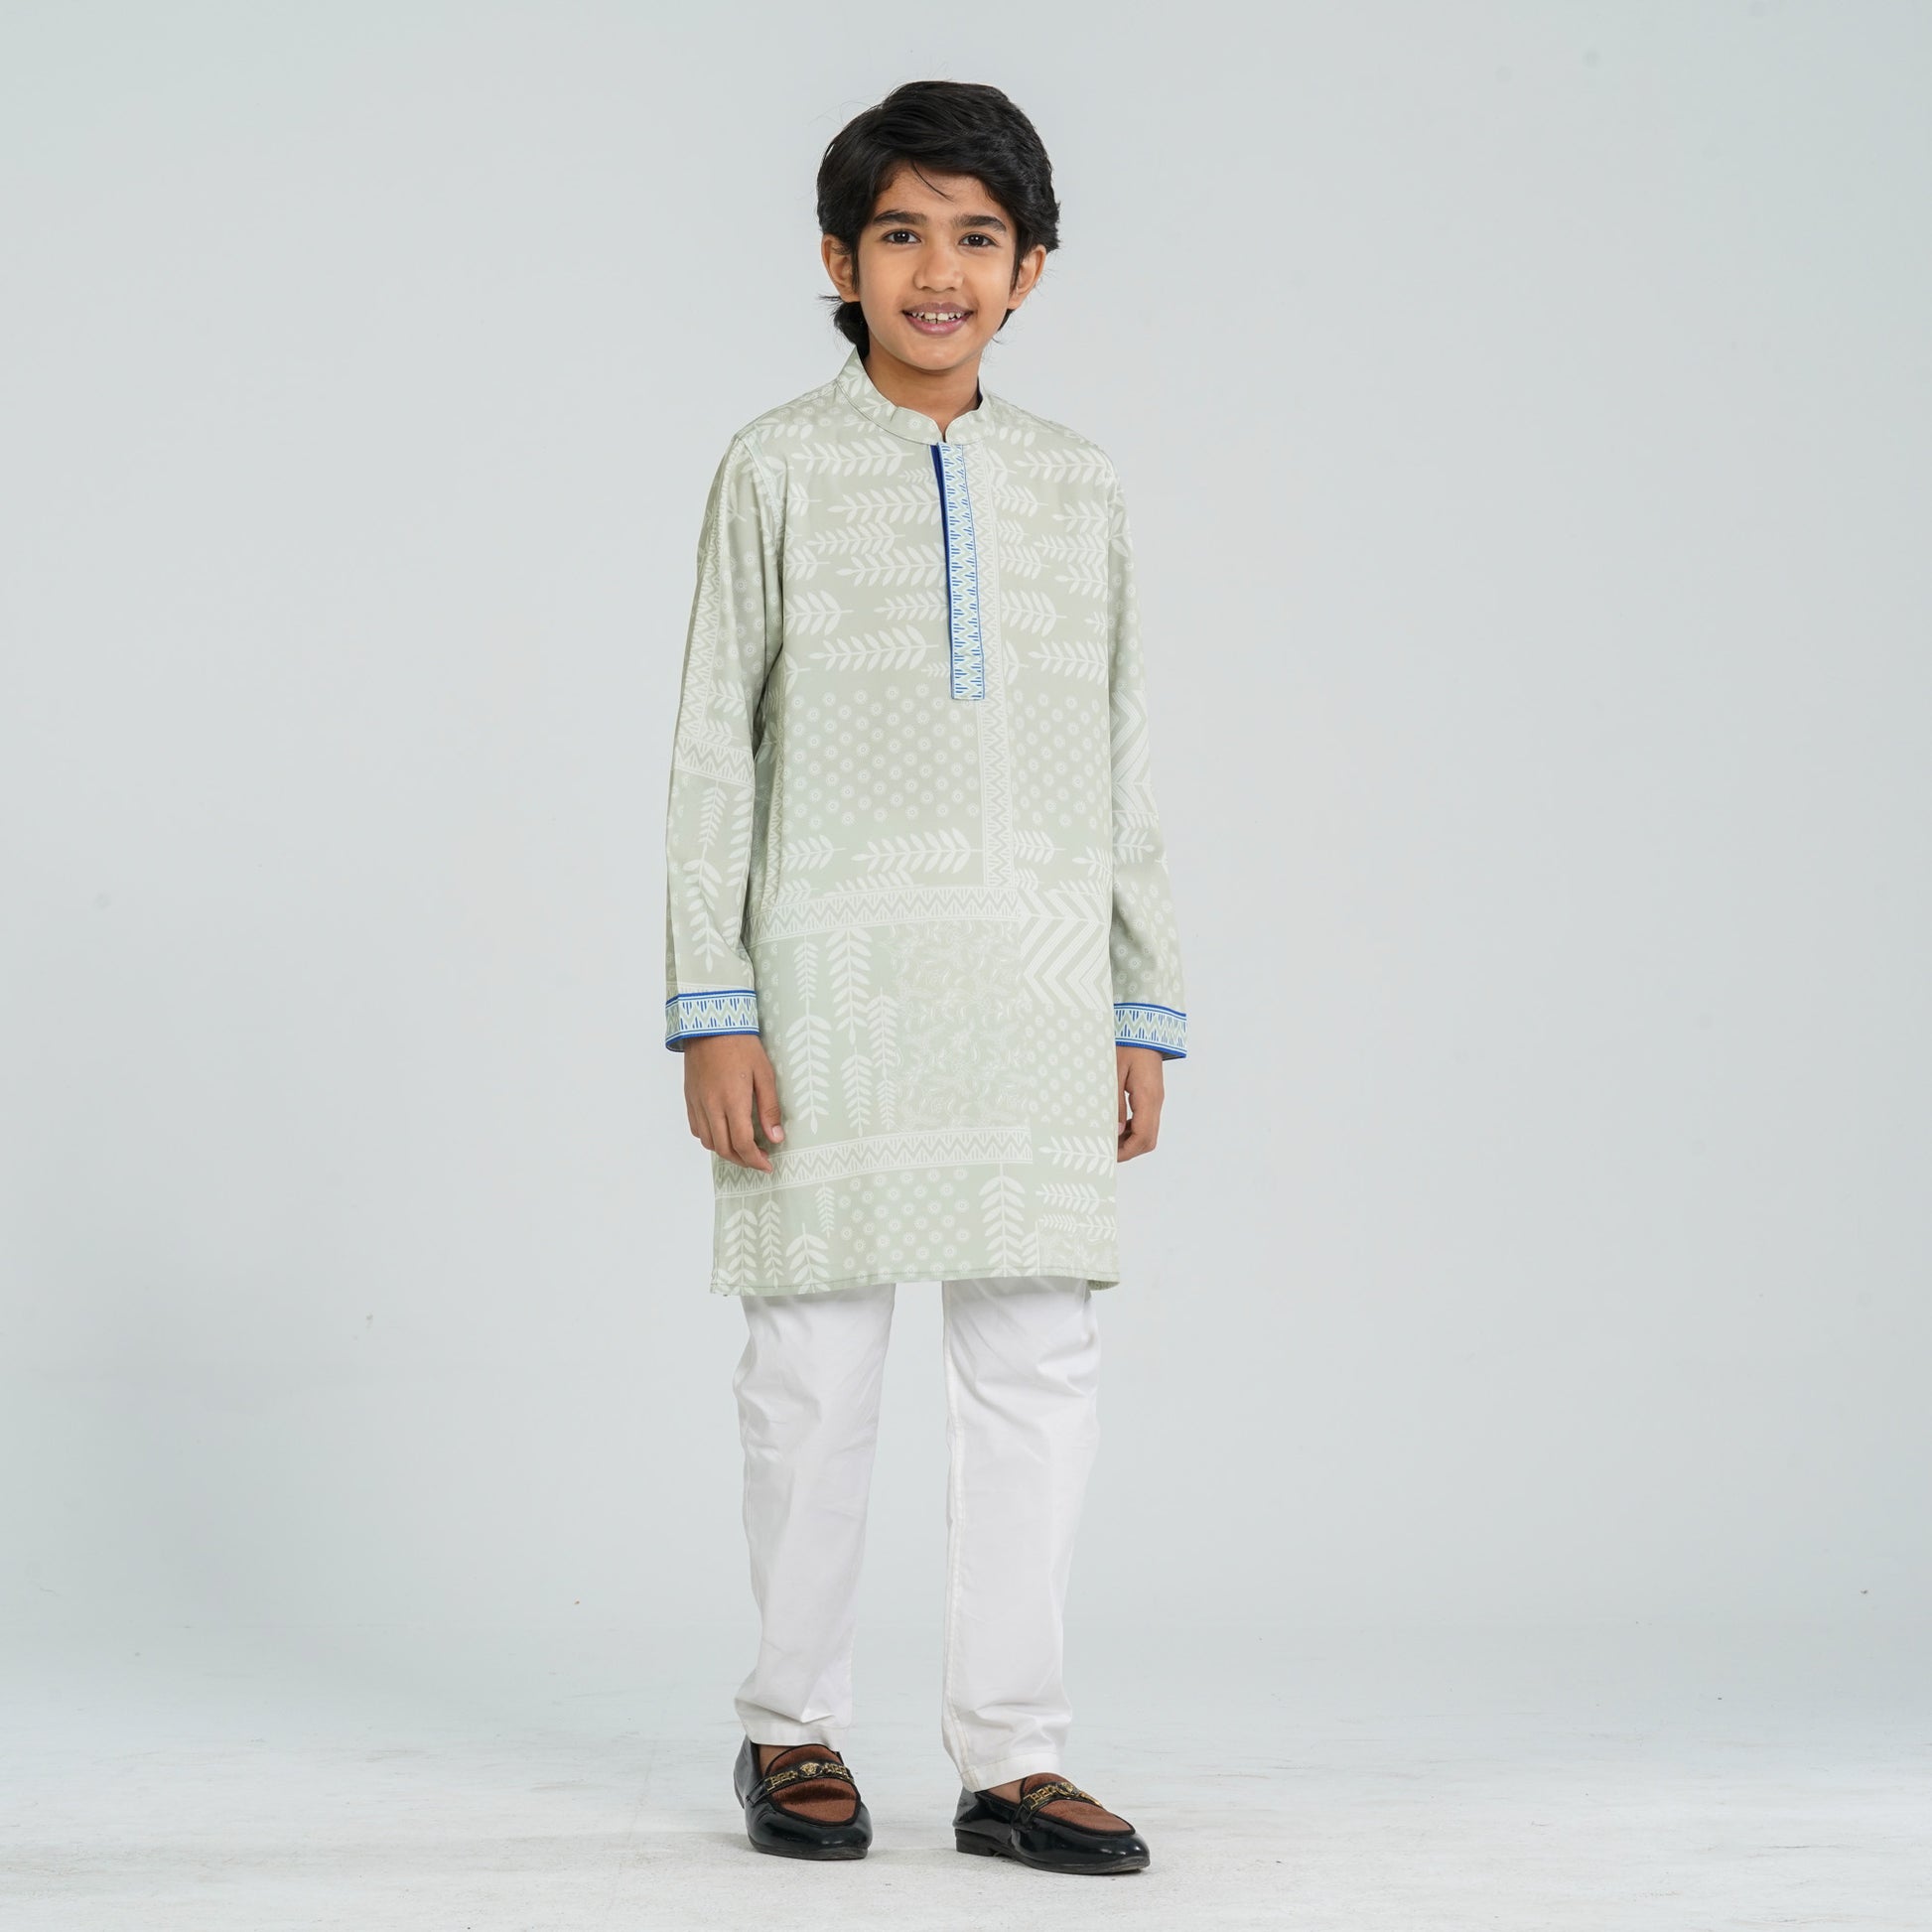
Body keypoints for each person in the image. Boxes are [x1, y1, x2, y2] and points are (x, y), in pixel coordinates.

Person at [661, 78, 1187, 1876]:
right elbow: (709, 752)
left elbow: (1122, 755)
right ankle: (789, 1725)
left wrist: (1136, 1002)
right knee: (809, 1369)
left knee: (1037, 1360)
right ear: (839, 259)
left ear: (1029, 270)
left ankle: (1014, 1757)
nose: (937, 270)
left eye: (977, 237)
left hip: (1034, 987)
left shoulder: (1076, 486)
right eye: (901, 233)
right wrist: (714, 1004)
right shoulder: (774, 469)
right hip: (825, 985)